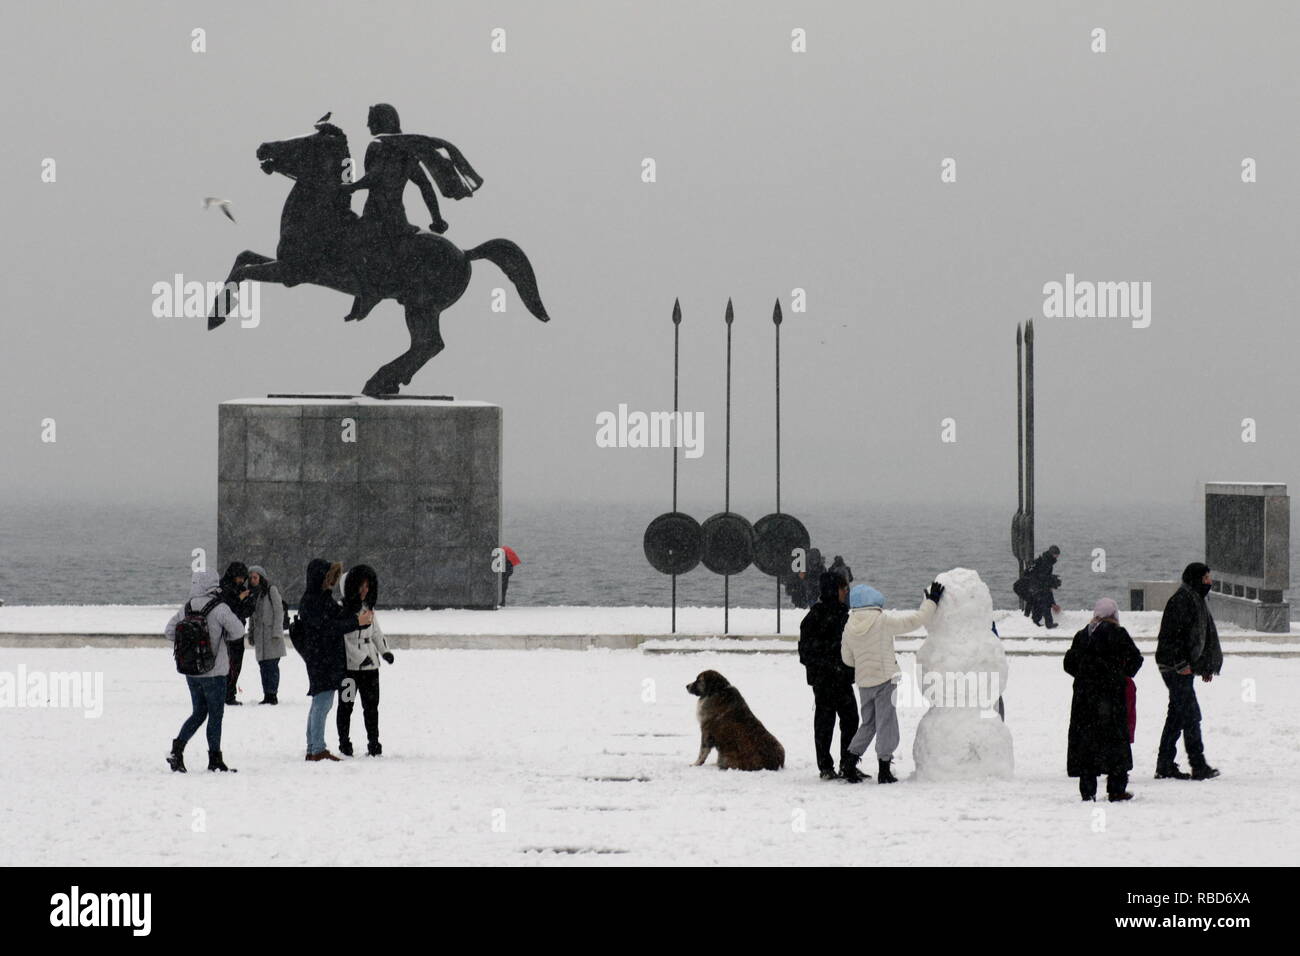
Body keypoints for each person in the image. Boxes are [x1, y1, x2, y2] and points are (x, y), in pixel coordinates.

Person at [340, 103, 482, 321]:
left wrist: (349, 187)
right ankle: (366, 292)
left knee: (347, 244)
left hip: (378, 216)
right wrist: (437, 219)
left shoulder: (379, 145)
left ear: (382, 121)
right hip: (398, 218)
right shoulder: (405, 150)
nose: (367, 124)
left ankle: (368, 293)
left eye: (371, 119)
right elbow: (425, 186)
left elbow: (375, 177)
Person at [840, 579, 944, 783]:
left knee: (868, 724)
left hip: (864, 682)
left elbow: (847, 659)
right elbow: (915, 621)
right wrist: (931, 601)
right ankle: (884, 769)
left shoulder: (848, 626)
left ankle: (849, 762)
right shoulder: (882, 621)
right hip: (885, 680)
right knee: (886, 724)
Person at [164, 570, 246, 773]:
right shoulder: (220, 608)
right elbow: (238, 631)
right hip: (215, 672)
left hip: (191, 670)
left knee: (199, 712)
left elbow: (169, 632)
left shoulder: (187, 607)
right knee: (216, 715)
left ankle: (177, 749)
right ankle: (215, 760)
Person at [1063, 598, 1144, 802]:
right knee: (1114, 742)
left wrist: (1085, 676)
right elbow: (1136, 659)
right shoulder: (1118, 633)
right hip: (1110, 697)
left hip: (1084, 699)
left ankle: (1087, 790)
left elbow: (1068, 663)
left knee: (1087, 744)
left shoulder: (1082, 635)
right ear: (1114, 614)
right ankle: (1116, 789)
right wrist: (1118, 674)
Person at [1154, 562, 1223, 781]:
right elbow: (1173, 637)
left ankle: (1165, 764)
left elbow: (1199, 637)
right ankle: (1198, 764)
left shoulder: (1195, 599)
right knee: (1191, 715)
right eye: (1206, 578)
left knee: (1177, 714)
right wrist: (1181, 664)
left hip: (1182, 667)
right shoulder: (1183, 600)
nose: (1210, 582)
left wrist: (1203, 666)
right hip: (1174, 667)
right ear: (1197, 579)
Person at [299, 558, 372, 762]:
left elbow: (334, 619)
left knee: (319, 703)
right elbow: (329, 627)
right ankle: (317, 749)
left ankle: (313, 746)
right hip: (322, 657)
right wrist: (357, 621)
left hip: (322, 656)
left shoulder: (318, 598)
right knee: (322, 703)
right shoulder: (314, 601)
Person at [797, 572, 859, 780]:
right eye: (843, 588)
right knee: (827, 722)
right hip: (827, 680)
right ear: (834, 590)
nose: (846, 592)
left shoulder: (843, 615)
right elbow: (806, 652)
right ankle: (827, 766)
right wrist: (827, 666)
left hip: (838, 679)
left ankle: (846, 763)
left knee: (848, 720)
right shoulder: (818, 616)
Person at [337, 564, 393, 757]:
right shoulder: (342, 610)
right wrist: (361, 658)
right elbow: (346, 640)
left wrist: (384, 651)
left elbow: (376, 631)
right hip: (350, 669)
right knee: (346, 706)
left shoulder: (369, 608)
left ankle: (374, 742)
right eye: (360, 586)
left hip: (370, 668)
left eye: (367, 587)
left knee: (371, 707)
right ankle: (344, 743)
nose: (364, 591)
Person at [246, 565, 286, 705]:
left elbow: (278, 611)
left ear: (261, 577)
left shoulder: (271, 590)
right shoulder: (253, 594)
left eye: (255, 577)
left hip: (271, 636)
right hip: (260, 637)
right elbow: (252, 617)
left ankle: (272, 694)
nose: (253, 580)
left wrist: (276, 631)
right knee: (263, 666)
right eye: (251, 578)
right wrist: (251, 633)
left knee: (272, 666)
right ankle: (267, 694)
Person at [219, 562, 256, 705]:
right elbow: (225, 609)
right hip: (225, 632)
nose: (241, 581)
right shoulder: (223, 589)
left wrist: (246, 600)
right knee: (227, 664)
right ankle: (226, 694)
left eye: (243, 578)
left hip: (238, 631)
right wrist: (239, 599)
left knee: (235, 664)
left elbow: (246, 611)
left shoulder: (241, 589)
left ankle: (229, 692)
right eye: (239, 578)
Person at [1020, 545, 1062, 629]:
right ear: (1052, 554)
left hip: (1036, 585)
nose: (1057, 557)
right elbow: (1041, 576)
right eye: (1056, 555)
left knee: (1039, 603)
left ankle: (1035, 622)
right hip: (1037, 585)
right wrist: (1052, 579)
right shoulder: (1045, 562)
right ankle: (1047, 624)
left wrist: (1051, 579)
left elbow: (1043, 576)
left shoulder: (1046, 561)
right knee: (1045, 604)